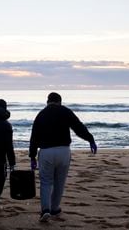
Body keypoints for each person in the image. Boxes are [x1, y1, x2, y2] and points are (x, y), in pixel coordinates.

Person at [29, 92, 97, 222]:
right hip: (64, 151)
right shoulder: (65, 111)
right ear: (60, 101)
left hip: (46, 152)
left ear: (47, 101)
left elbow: (34, 137)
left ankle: (45, 210)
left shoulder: (41, 115)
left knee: (46, 182)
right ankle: (55, 208)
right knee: (60, 182)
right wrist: (90, 139)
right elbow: (78, 127)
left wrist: (32, 157)